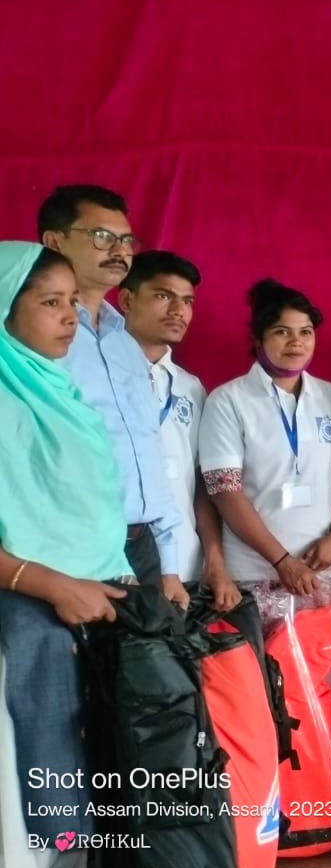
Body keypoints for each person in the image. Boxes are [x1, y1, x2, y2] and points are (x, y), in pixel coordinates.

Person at [0, 242, 131, 868]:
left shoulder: (58, 389)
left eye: (73, 303)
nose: (68, 318)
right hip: (28, 603)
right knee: (53, 754)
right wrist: (51, 584)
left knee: (117, 746)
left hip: (100, 588)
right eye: (49, 302)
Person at [38, 185, 187, 608]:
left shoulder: (125, 342)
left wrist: (169, 564)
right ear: (54, 242)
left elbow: (147, 449)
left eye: (126, 240)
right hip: (73, 550)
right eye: (102, 237)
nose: (120, 251)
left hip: (144, 547)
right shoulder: (33, 338)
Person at [199, 280, 331, 598]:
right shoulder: (228, 400)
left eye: (306, 332)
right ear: (259, 338)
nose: (296, 342)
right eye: (282, 332)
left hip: (324, 568)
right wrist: (282, 561)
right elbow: (224, 491)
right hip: (255, 571)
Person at [119, 250, 232, 601]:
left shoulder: (191, 387)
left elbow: (201, 483)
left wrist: (214, 559)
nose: (178, 310)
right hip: (115, 563)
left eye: (187, 301)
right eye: (163, 296)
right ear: (126, 300)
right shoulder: (97, 376)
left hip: (184, 563)